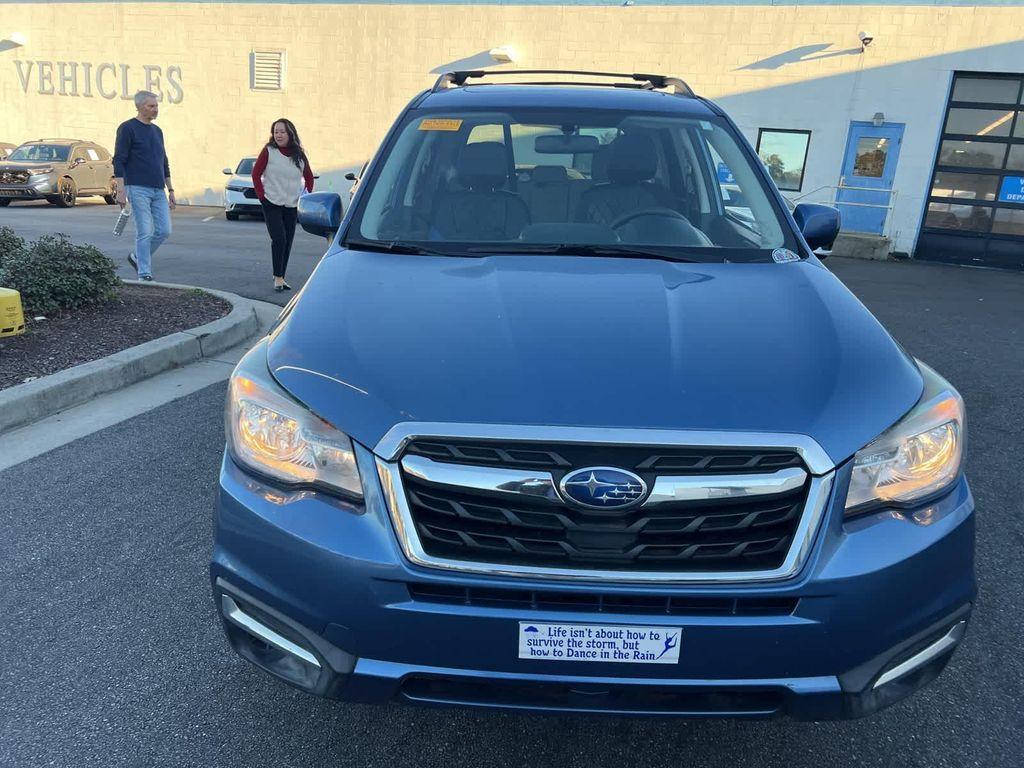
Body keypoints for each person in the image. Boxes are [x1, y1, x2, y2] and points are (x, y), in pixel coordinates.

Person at [113, 90, 175, 281]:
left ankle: (138, 257)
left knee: (165, 230)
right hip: (137, 187)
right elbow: (119, 160)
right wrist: (121, 190)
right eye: (151, 106)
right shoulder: (127, 128)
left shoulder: (157, 131)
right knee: (144, 231)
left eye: (156, 105)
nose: (155, 109)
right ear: (139, 107)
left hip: (158, 188)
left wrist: (170, 189)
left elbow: (163, 161)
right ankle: (144, 273)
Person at [252, 118, 315, 292]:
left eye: (282, 131)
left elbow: (308, 176)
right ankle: (278, 277)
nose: (278, 135)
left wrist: (305, 196)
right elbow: (256, 174)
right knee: (279, 238)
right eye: (275, 131)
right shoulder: (269, 151)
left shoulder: (299, 154)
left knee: (288, 241)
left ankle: (280, 275)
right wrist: (261, 197)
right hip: (271, 202)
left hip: (291, 205)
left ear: (290, 133)